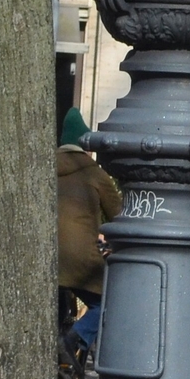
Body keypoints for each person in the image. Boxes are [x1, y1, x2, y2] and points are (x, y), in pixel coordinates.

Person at [56, 117, 120, 352]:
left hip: (43, 257)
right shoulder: (94, 174)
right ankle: (72, 341)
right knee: (107, 301)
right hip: (81, 260)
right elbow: (118, 216)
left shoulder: (40, 168)